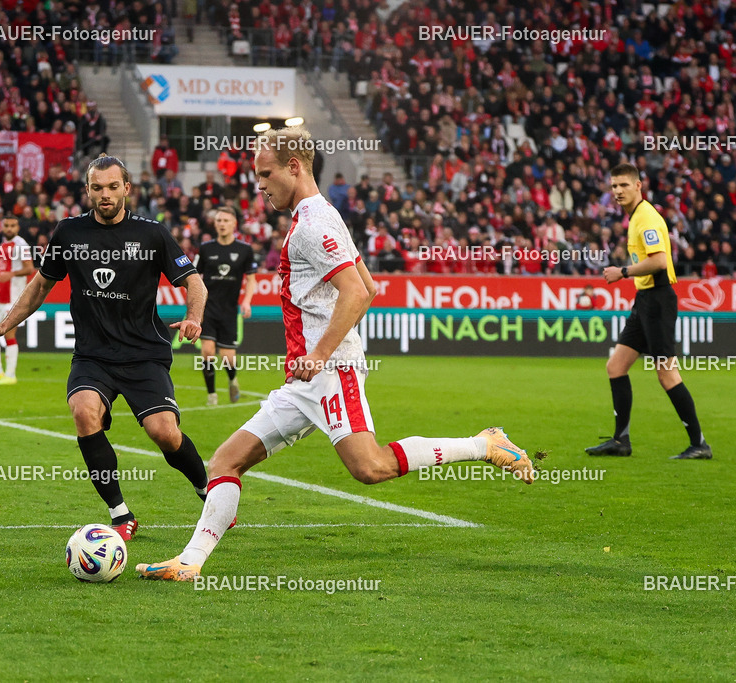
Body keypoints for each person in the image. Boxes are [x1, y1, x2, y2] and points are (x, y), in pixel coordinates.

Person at [137, 126, 534, 582]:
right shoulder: (320, 215)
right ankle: (190, 562)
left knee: (371, 467)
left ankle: (485, 444)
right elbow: (369, 285)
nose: (259, 185)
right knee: (226, 461)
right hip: (305, 380)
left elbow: (357, 294)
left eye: (265, 174)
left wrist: (322, 353)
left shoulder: (313, 223)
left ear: (294, 166)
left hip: (328, 371)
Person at [0, 154, 210, 541]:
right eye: (97, 187)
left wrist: (193, 317)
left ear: (127, 189)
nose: (105, 195)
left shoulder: (152, 233)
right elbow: (39, 285)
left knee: (164, 433)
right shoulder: (69, 233)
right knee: (83, 411)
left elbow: (195, 283)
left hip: (143, 354)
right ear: (87, 190)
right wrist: (5, 323)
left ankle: (208, 492)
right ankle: (120, 514)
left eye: (112, 187)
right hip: (92, 355)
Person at [586, 163, 711, 460]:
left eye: (623, 185)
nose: (617, 191)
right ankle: (620, 441)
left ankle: (699, 444)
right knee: (615, 366)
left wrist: (623, 271)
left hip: (657, 300)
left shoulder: (646, 218)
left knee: (666, 374)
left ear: (638, 186)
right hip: (645, 300)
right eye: (614, 186)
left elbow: (659, 261)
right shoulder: (635, 217)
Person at [194, 205, 257, 405]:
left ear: (234, 224)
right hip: (208, 308)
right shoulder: (205, 249)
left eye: (226, 221)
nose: (222, 224)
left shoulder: (244, 250)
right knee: (207, 351)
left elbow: (252, 279)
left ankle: (232, 380)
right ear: (214, 224)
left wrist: (246, 302)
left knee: (227, 357)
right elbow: (196, 277)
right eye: (219, 220)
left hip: (229, 311)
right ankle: (211, 395)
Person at [0, 216, 35, 386]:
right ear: (2, 227)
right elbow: (5, 272)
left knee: (9, 335)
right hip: (0, 297)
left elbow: (29, 269)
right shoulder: (3, 245)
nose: (9, 228)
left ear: (17, 227)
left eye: (12, 225)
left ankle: (11, 375)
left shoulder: (21, 245)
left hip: (14, 298)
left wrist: (10, 275)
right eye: (6, 225)